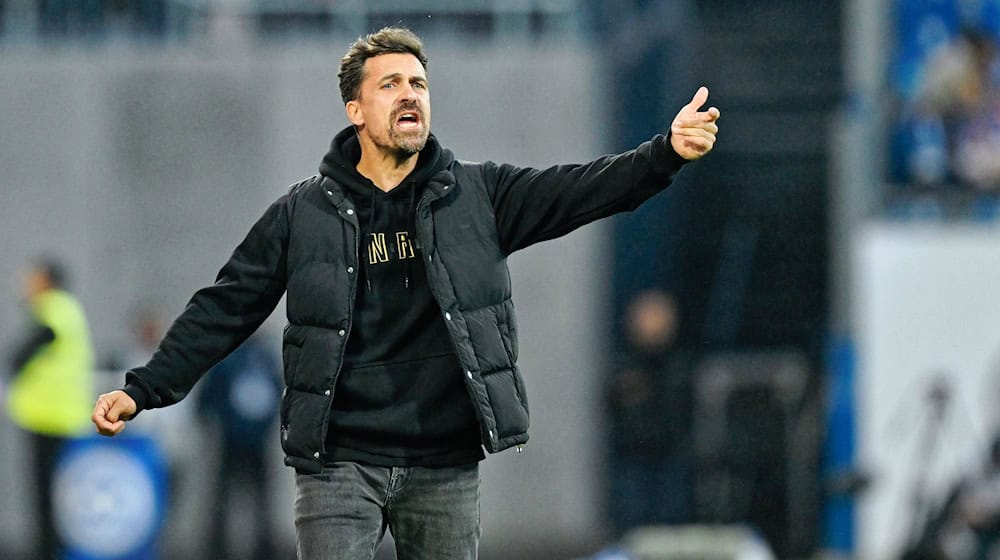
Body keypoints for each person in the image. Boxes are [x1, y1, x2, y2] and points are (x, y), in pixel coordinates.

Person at [92, 26, 720, 559]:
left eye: (418, 83)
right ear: (355, 110)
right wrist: (143, 388)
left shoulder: (481, 195)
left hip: (443, 463)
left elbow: (584, 190)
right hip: (338, 462)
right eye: (390, 84)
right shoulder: (301, 214)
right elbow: (225, 306)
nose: (410, 94)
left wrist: (664, 152)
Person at [7, 257, 94, 559]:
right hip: (57, 418)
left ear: (46, 281)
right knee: (53, 497)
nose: (26, 284)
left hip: (50, 419)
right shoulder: (66, 310)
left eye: (33, 278)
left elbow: (26, 350)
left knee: (47, 499)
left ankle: (50, 553)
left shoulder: (54, 309)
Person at [606, 289, 694, 535]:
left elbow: (680, 415)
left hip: (669, 458)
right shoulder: (623, 367)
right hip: (633, 459)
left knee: (670, 526)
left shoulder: (677, 367)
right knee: (634, 526)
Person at [196, 333, 282, 560]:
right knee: (224, 500)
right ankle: (218, 549)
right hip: (232, 440)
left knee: (260, 501)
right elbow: (208, 397)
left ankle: (263, 549)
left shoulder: (264, 357)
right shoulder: (229, 358)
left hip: (256, 442)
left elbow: (279, 393)